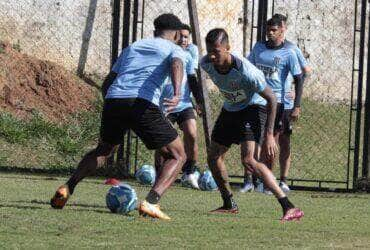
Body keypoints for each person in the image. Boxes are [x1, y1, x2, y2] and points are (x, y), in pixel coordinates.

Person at [50, 13, 187, 220]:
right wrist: (177, 93)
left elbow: (108, 82)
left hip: (114, 99)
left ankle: (67, 188)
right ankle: (151, 202)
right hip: (141, 102)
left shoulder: (133, 47)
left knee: (104, 149)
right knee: (177, 155)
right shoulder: (174, 48)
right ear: (177, 34)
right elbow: (177, 65)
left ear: (154, 31)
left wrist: (113, 106)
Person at [201, 28, 304, 221]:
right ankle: (229, 203)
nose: (212, 56)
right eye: (209, 51)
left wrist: (269, 135)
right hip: (230, 109)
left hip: (254, 107)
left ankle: (288, 206)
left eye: (217, 51)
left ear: (228, 48)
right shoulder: (206, 64)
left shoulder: (246, 70)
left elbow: (272, 99)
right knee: (213, 156)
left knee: (249, 160)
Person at [244, 16, 304, 194]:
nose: (270, 33)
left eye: (273, 30)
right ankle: (252, 180)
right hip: (256, 100)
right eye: (268, 30)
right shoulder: (258, 47)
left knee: (272, 142)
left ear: (281, 31)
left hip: (276, 103)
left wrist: (297, 105)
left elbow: (299, 78)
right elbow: (249, 68)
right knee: (252, 140)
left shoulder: (289, 52)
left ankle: (268, 180)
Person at [155, 24, 202, 189]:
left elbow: (192, 77)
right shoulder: (165, 50)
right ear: (174, 36)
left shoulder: (191, 51)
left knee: (192, 132)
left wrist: (199, 101)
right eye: (180, 36)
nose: (183, 39)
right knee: (162, 141)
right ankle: (159, 173)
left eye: (186, 36)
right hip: (165, 104)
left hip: (184, 103)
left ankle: (189, 172)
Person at [272, 13, 312, 192]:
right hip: (270, 101)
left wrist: (294, 91)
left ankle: (283, 180)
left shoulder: (292, 49)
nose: (275, 32)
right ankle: (265, 178)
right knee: (268, 140)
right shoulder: (263, 48)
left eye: (279, 27)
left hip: (286, 104)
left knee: (284, 141)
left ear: (283, 28)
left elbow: (305, 71)